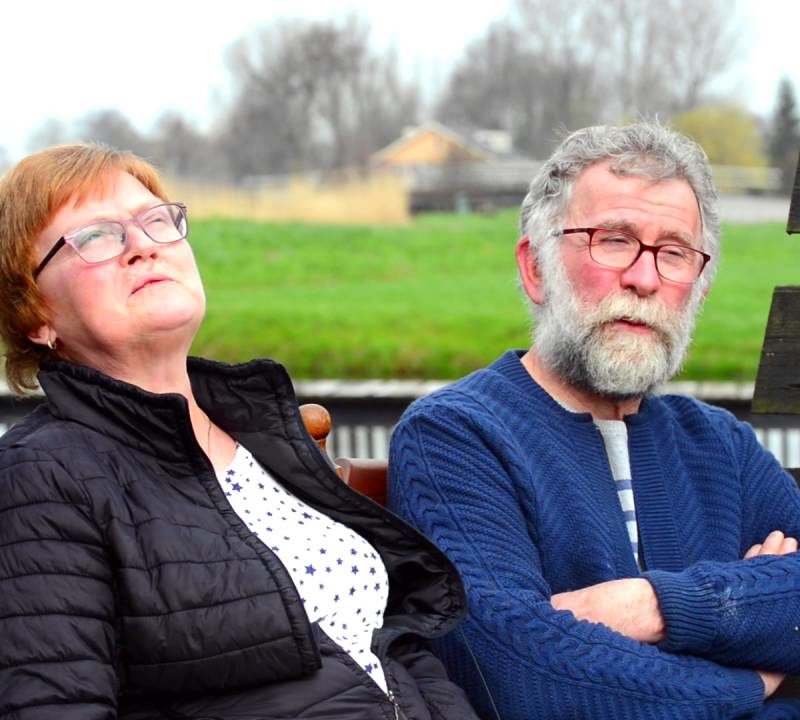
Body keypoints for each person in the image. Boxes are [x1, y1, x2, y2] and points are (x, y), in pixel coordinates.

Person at [0, 144, 479, 720]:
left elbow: (386, 642)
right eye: (97, 236)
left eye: (155, 220)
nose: (143, 247)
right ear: (36, 315)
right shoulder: (39, 475)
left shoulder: (260, 433)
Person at [388, 122, 800, 719]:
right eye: (613, 240)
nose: (644, 277)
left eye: (674, 253)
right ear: (536, 269)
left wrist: (649, 606)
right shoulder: (454, 439)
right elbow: (517, 674)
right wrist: (748, 676)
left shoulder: (719, 444)